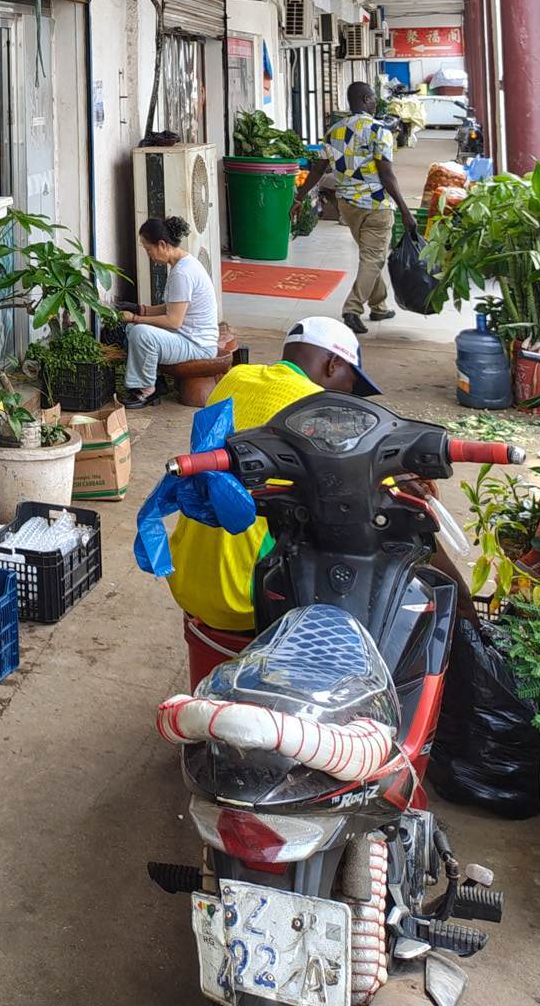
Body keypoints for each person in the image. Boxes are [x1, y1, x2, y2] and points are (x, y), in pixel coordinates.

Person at [158, 316, 378, 680]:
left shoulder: (234, 378)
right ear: (332, 364)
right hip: (245, 596)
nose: (347, 397)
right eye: (350, 384)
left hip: (186, 575)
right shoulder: (317, 409)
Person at [299, 80, 419, 335]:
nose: (376, 103)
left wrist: (299, 195)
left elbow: (319, 168)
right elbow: (387, 175)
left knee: (369, 257)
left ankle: (379, 305)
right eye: (374, 98)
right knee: (373, 257)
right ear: (365, 99)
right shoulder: (379, 130)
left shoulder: (334, 131)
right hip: (376, 204)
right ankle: (352, 309)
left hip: (348, 207)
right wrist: (406, 211)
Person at [121, 214, 219, 407]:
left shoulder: (182, 273)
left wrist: (136, 317)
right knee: (133, 330)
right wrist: (141, 309)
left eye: (149, 250)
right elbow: (172, 307)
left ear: (163, 245)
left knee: (140, 332)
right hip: (189, 337)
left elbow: (173, 321)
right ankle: (156, 381)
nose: (149, 255)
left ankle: (146, 390)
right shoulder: (183, 264)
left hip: (198, 345)